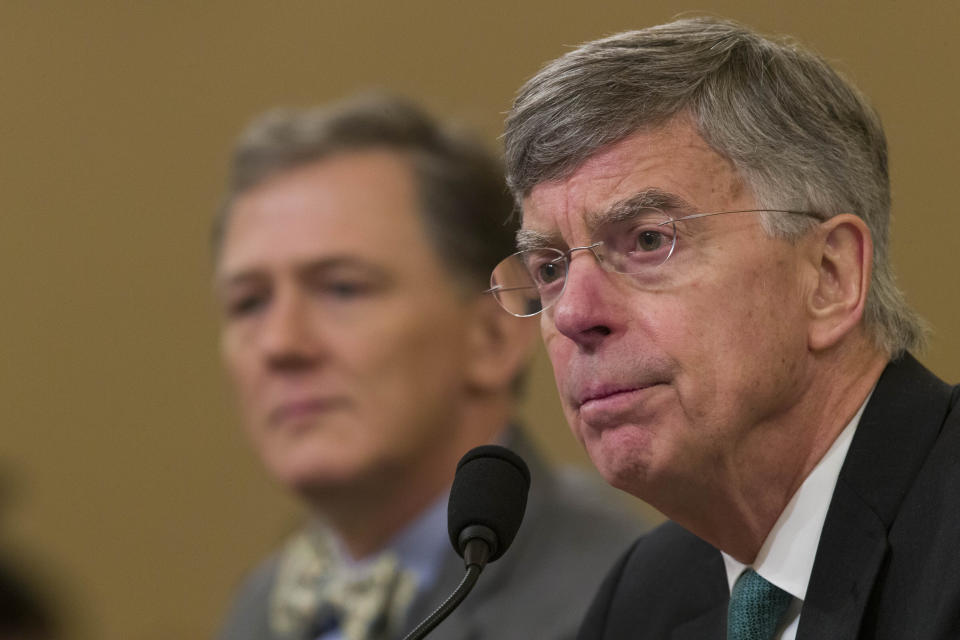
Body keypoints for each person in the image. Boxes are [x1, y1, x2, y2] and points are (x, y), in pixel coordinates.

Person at [490, 16, 960, 640]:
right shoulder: (642, 601)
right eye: (549, 268)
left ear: (829, 276)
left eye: (649, 240)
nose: (574, 315)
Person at [212, 93, 646, 640]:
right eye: (249, 302)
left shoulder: (614, 603)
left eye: (342, 288)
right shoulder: (260, 607)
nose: (280, 343)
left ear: (493, 336)